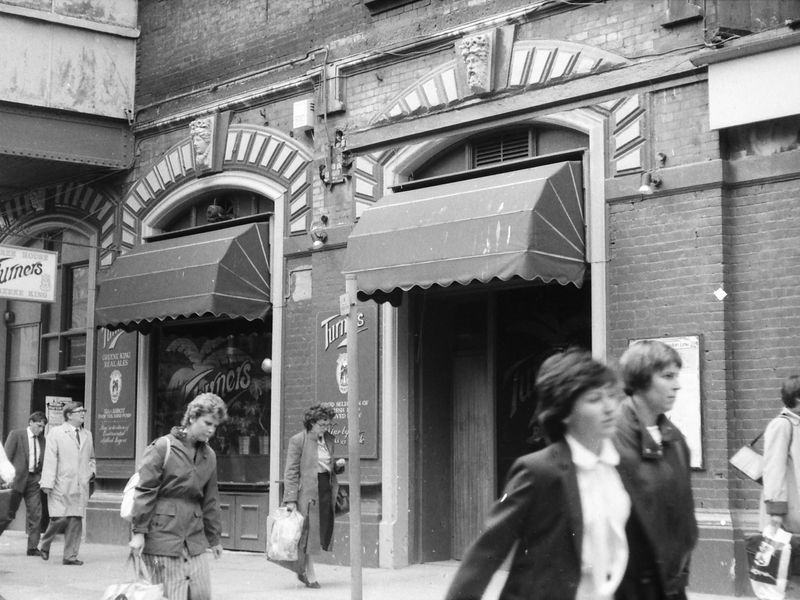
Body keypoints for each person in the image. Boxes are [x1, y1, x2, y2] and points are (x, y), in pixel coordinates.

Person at [445, 349, 630, 600]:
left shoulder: (618, 465)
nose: (610, 408)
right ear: (565, 411)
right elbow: (487, 551)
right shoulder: (539, 470)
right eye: (595, 399)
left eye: (612, 396)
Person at [614, 340, 698, 600]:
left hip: (671, 584)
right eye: (668, 376)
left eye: (677, 376)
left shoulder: (675, 439)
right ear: (640, 380)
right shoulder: (611, 437)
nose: (677, 385)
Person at [129, 392, 227, 600]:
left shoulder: (209, 456)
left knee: (201, 594)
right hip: (162, 537)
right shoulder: (162, 447)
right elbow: (145, 491)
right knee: (170, 595)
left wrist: (214, 538)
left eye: (215, 426)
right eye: (207, 423)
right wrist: (138, 532)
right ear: (192, 417)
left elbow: (210, 499)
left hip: (194, 537)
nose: (211, 430)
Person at [283, 404, 346, 589]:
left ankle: (301, 570)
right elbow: (291, 471)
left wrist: (338, 466)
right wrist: (291, 500)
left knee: (319, 531)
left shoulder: (328, 439)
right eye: (322, 424)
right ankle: (310, 574)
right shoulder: (298, 440)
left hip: (326, 488)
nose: (325, 427)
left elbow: (329, 466)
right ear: (311, 423)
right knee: (309, 533)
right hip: (307, 493)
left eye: (328, 424)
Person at [38, 402, 96, 565]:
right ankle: (46, 543)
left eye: (84, 410)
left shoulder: (87, 435)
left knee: (75, 520)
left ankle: (70, 556)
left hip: (80, 483)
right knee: (59, 518)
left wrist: (91, 472)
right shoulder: (56, 433)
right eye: (79, 411)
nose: (83, 413)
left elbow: (91, 458)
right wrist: (47, 482)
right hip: (60, 482)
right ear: (69, 415)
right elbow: (50, 459)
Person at [0, 411, 47, 555]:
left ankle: (32, 547)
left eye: (43, 427)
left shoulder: (42, 440)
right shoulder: (16, 434)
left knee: (36, 513)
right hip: (16, 480)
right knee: (8, 514)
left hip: (34, 479)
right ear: (31, 422)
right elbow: (5, 458)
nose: (41, 429)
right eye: (39, 426)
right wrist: (4, 480)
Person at [761, 375, 800, 535]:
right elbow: (774, 470)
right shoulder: (782, 425)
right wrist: (776, 513)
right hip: (787, 516)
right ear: (798, 399)